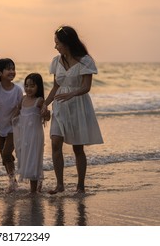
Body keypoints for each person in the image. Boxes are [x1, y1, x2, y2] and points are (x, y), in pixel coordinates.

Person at [41, 25, 103, 194]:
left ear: (67, 43)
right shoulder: (56, 61)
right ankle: (59, 185)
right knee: (55, 142)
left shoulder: (85, 60)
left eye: (57, 43)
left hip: (78, 106)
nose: (55, 46)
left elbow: (86, 87)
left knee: (77, 148)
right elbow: (55, 87)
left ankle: (80, 186)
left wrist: (72, 94)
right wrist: (45, 104)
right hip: (60, 105)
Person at [0, 58, 23, 193]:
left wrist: (16, 113)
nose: (12, 71)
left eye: (13, 69)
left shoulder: (17, 90)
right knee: (5, 157)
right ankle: (12, 181)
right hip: (0, 128)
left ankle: (13, 180)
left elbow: (21, 106)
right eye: (8, 69)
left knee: (6, 153)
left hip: (14, 127)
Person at [13, 73, 47, 193]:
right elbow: (17, 112)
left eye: (32, 86)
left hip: (35, 136)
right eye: (26, 86)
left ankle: (33, 190)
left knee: (33, 160)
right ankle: (38, 183)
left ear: (38, 87)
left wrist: (45, 112)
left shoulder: (39, 100)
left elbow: (47, 117)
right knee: (25, 158)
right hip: (24, 135)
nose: (28, 89)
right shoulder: (23, 99)